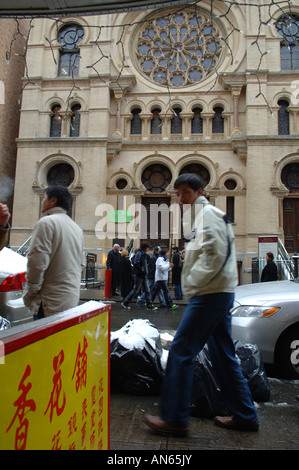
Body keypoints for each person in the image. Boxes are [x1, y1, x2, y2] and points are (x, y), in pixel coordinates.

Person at [144, 173, 258, 436]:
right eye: (178, 193)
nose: (180, 198)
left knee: (181, 351)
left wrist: (195, 284)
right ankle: (245, 415)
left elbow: (216, 256)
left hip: (210, 293)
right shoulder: (201, 217)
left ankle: (174, 418)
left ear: (198, 192)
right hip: (215, 292)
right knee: (223, 356)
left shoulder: (208, 216)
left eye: (184, 192)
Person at [23, 185, 84, 319]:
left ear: (53, 201)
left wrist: (30, 292)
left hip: (48, 301)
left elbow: (36, 262)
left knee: (42, 339)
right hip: (70, 299)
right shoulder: (77, 229)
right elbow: (80, 263)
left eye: (44, 197)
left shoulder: (46, 223)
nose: (41, 201)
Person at [121, 241, 157, 310]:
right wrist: (141, 270)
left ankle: (149, 305)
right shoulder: (139, 254)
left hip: (143, 275)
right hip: (140, 275)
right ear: (145, 248)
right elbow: (135, 263)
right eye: (147, 248)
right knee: (136, 290)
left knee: (147, 290)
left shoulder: (143, 254)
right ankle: (125, 302)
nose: (148, 249)